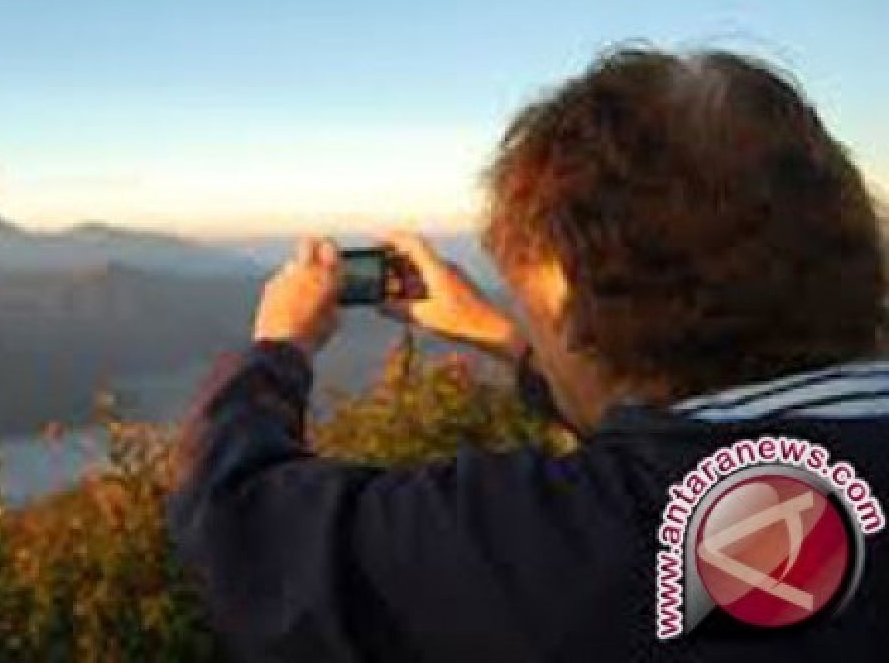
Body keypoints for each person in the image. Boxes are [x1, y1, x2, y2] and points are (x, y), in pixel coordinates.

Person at [168, 48, 888, 662]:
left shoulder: (594, 543)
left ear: (574, 302)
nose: (532, 324)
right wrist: (498, 334)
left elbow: (244, 536)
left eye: (531, 304)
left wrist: (280, 345)